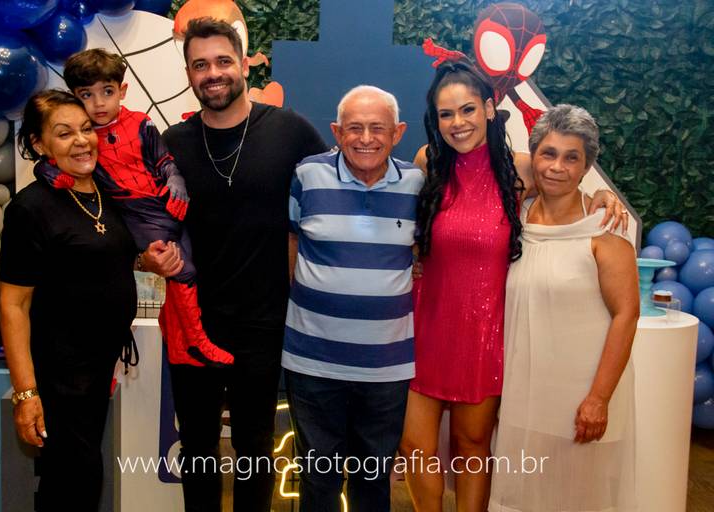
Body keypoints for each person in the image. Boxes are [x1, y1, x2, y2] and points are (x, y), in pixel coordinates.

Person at [399, 62, 628, 512]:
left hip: (484, 333)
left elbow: (566, 184)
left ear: (489, 108)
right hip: (425, 325)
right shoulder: (428, 161)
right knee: (414, 447)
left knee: (472, 446)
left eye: (468, 109)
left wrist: (603, 197)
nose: (458, 122)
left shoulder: (519, 167)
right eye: (446, 114)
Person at [155, 17, 327, 512]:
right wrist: (147, 253)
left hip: (264, 320)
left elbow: (337, 193)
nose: (213, 73)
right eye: (200, 64)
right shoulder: (172, 143)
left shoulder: (291, 131)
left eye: (223, 61)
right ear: (189, 73)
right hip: (192, 319)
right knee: (198, 446)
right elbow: (146, 218)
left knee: (254, 444)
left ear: (245, 65)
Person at [34, 48, 233, 367]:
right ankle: (196, 341)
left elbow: (163, 159)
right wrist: (53, 175)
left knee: (184, 267)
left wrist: (175, 178)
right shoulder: (86, 139)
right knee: (182, 269)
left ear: (122, 90)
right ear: (75, 97)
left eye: (107, 92)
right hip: (135, 212)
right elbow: (47, 163)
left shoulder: (141, 123)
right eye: (87, 95)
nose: (99, 103)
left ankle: (178, 343)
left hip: (164, 204)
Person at [488, 104, 638, 511]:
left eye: (572, 158)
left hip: (579, 399)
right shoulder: (515, 218)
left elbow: (626, 316)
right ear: (533, 157)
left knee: (576, 497)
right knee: (518, 494)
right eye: (548, 154)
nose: (557, 167)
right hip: (522, 393)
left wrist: (598, 399)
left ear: (587, 167)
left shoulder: (605, 229)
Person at [283, 85, 423, 512]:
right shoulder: (307, 175)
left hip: (386, 367)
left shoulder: (417, 185)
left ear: (398, 133)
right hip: (313, 362)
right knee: (318, 481)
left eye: (377, 128)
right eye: (354, 128)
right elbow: (291, 245)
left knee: (373, 482)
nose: (365, 139)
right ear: (336, 132)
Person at [0, 90, 140, 511]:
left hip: (98, 368)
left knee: (76, 476)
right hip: (59, 373)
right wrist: (26, 395)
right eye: (64, 134)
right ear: (40, 144)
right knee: (75, 477)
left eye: (86, 129)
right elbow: (14, 305)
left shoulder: (106, 192)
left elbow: (106, 260)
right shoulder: (30, 208)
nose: (81, 141)